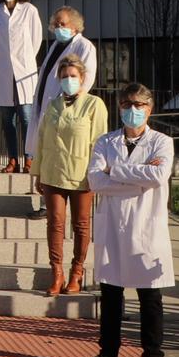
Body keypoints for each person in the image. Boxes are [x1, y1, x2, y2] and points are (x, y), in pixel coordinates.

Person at [86, 83, 174, 357]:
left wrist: (116, 171)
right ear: (119, 107)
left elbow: (158, 177)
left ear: (150, 108)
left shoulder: (162, 142)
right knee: (111, 296)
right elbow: (95, 180)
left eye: (139, 104)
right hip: (113, 226)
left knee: (150, 298)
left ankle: (152, 352)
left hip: (146, 227)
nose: (132, 110)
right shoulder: (105, 141)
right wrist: (139, 178)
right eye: (126, 104)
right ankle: (108, 352)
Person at [30, 54, 108, 296]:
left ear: (82, 78)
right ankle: (57, 273)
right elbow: (41, 139)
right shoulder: (52, 105)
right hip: (53, 172)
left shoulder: (94, 104)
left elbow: (99, 142)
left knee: (81, 225)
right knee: (55, 222)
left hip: (81, 173)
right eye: (64, 77)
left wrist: (98, 174)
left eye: (73, 76)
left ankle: (77, 272)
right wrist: (38, 172)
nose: (68, 80)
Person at [26, 5, 96, 219]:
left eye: (62, 24)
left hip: (65, 110)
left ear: (75, 26)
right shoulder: (56, 44)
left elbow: (87, 78)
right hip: (47, 107)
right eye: (55, 24)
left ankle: (53, 204)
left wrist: (69, 103)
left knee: (58, 154)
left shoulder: (85, 47)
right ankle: (46, 201)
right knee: (45, 153)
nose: (57, 27)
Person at [0, 0, 42, 174]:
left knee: (27, 119)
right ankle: (12, 159)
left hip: (24, 72)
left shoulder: (29, 10)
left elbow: (36, 40)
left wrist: (24, 61)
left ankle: (29, 159)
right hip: (3, 73)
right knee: (7, 121)